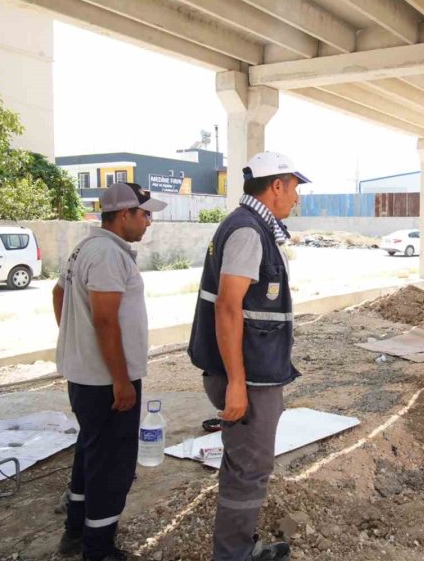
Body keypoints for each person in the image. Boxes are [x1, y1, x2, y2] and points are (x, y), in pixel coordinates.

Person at [188, 152, 309, 561]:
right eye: (294, 187)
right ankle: (234, 554)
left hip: (253, 373)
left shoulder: (253, 227)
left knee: (243, 464)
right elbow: (227, 307)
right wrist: (237, 383)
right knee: (250, 470)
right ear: (277, 185)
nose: (295, 197)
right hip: (248, 378)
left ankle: (238, 546)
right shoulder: (247, 232)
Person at [52, 182, 167, 561]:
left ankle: (75, 531)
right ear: (124, 215)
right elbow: (104, 319)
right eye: (144, 213)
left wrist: (76, 342)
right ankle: (98, 549)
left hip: (89, 374)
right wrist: (120, 379)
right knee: (112, 466)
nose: (149, 221)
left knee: (91, 453)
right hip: (105, 380)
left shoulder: (89, 246)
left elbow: (59, 295)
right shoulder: (105, 254)